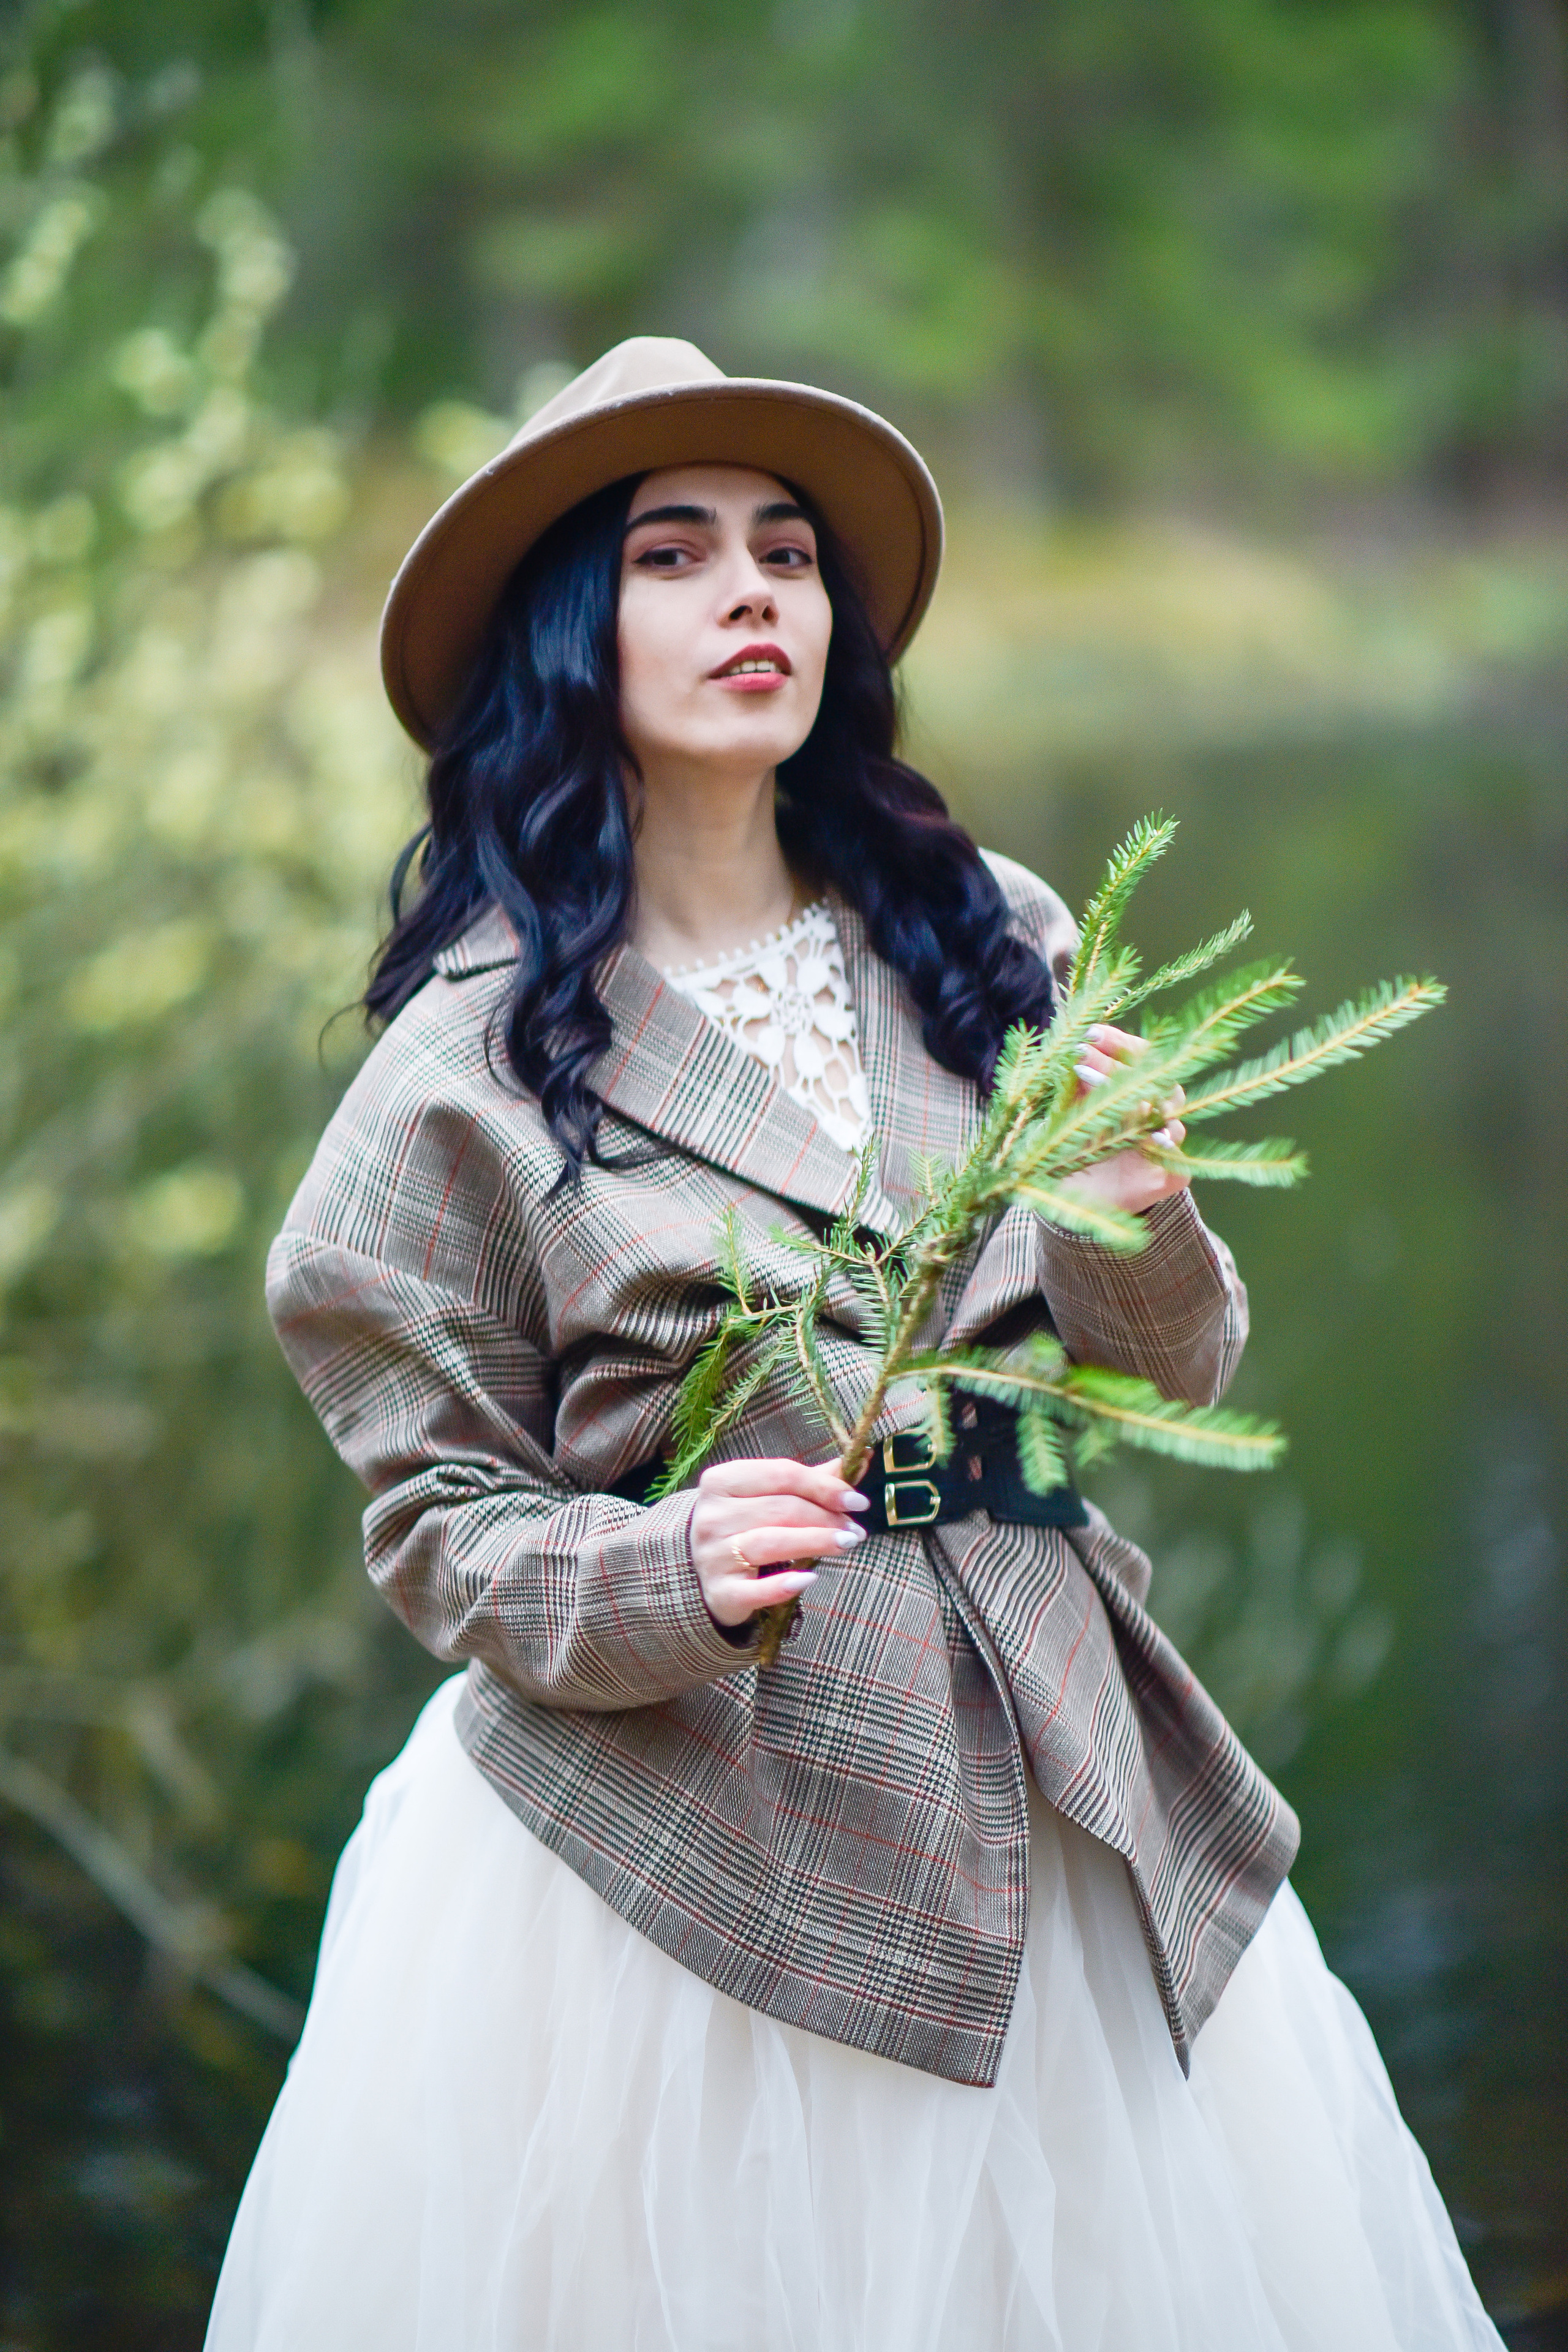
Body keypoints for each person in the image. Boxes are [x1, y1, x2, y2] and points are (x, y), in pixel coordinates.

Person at [205, 339, 1501, 2351]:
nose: (755, 596)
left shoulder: (990, 936)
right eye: (675, 552)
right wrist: (663, 1567)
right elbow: (438, 1526)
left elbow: (1167, 1379)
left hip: (1051, 1756)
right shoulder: (461, 1068)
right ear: (569, 631)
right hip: (674, 1853)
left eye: (789, 554)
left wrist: (1145, 1214)